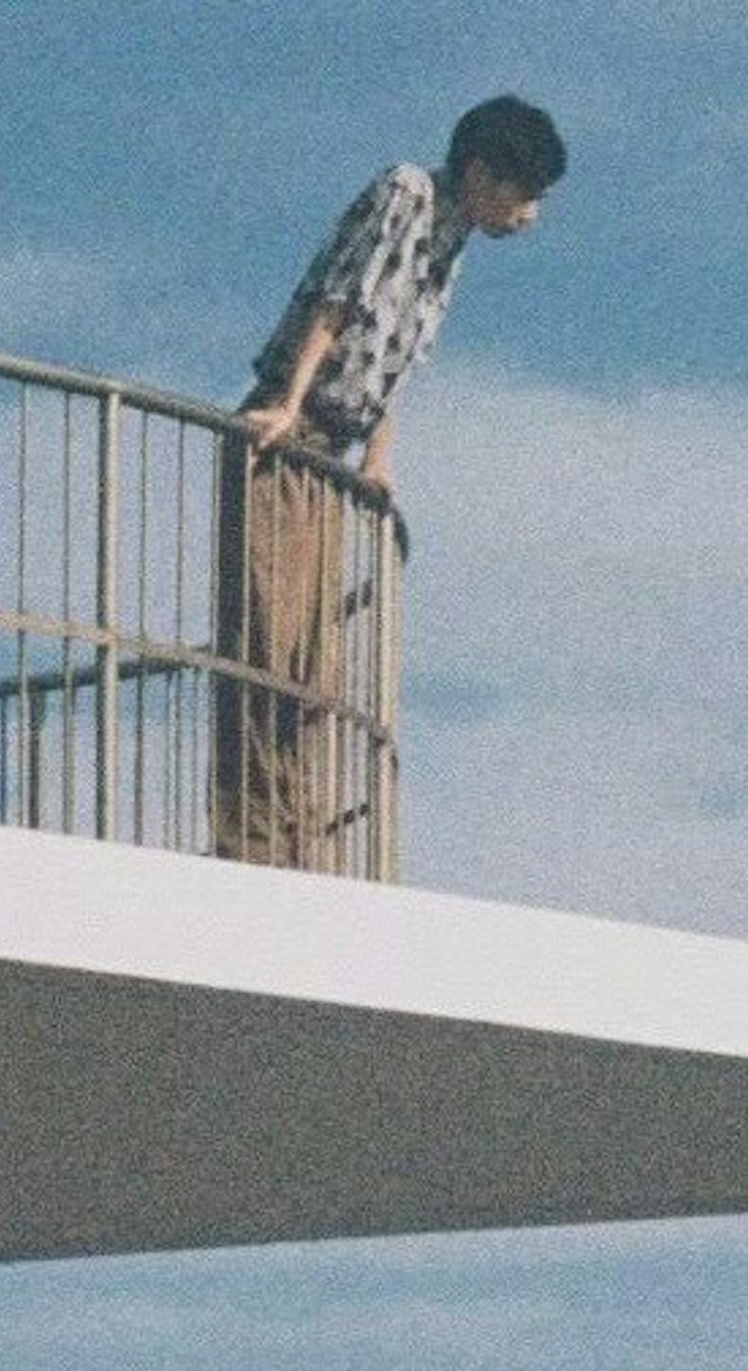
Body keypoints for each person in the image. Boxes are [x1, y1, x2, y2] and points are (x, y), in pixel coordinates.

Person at [213, 95, 564, 867]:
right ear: (480, 173)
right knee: (269, 645)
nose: (529, 215)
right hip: (292, 431)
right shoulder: (408, 194)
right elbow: (343, 296)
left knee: (314, 661)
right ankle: (255, 847)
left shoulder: (454, 241)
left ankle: (301, 846)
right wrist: (287, 404)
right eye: (523, 192)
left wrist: (379, 457)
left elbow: (402, 358)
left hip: (335, 447)